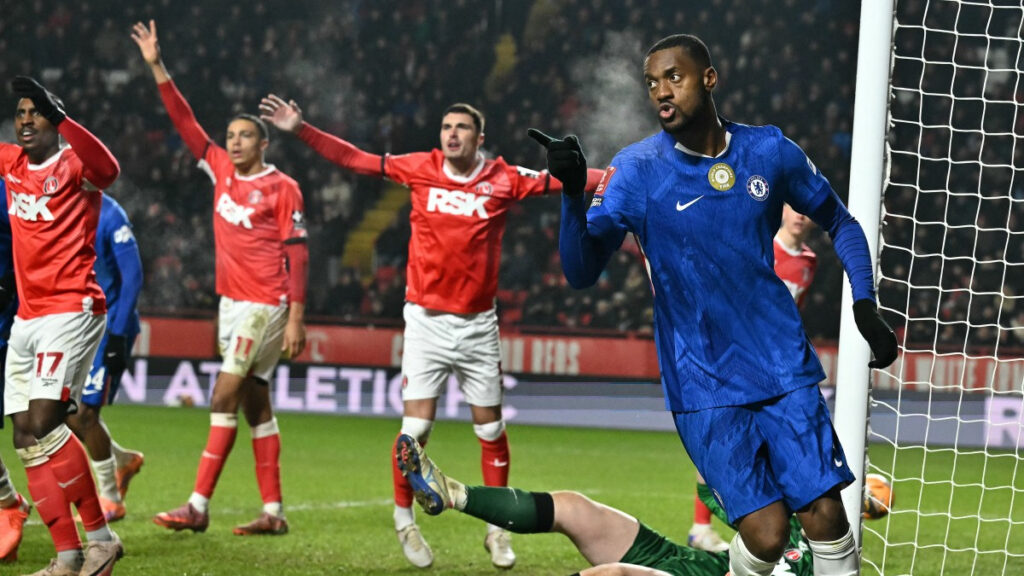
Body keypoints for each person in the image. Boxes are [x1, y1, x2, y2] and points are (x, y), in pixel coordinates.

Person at [531, 34, 898, 576]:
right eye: (651, 83)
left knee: (825, 514)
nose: (661, 91)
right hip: (700, 378)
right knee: (766, 534)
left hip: (780, 362)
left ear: (709, 78)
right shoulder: (636, 171)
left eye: (673, 77)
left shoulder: (769, 151)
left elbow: (840, 222)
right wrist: (570, 195)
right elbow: (581, 273)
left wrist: (864, 303)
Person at [258, 92, 605, 568]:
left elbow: (570, 180)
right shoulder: (419, 167)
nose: (452, 134)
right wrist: (301, 128)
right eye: (446, 128)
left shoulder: (503, 178)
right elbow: (356, 160)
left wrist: (627, 175)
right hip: (424, 321)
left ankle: (497, 530)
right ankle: (404, 520)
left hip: (478, 325)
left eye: (461, 128)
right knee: (415, 429)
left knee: (491, 429)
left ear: (479, 138)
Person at [132, 20, 309, 536]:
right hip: (232, 303)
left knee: (222, 395)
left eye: (245, 135)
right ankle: (274, 513)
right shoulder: (219, 169)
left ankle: (198, 505)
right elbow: (184, 120)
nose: (234, 142)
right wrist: (157, 67)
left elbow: (299, 254)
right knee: (255, 402)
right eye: (230, 135)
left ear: (264, 142)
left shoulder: (283, 188)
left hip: (266, 304)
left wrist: (296, 318)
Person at [1, 76, 124, 575]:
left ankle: (101, 539)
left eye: (37, 112)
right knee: (24, 437)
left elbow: (109, 170)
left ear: (55, 121)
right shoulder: (12, 164)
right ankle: (69, 556)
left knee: (46, 421)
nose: (26, 119)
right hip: (26, 318)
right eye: (21, 112)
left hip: (71, 309)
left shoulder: (75, 166)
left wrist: (65, 116)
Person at [395, 433, 814, 576]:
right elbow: (711, 479)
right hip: (698, 564)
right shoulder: (788, 516)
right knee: (574, 508)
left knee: (613, 575)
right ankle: (453, 493)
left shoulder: (832, 554)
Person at [688, 203, 818, 551]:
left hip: (776, 365)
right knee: (725, 439)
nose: (800, 216)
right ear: (782, 210)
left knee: (766, 446)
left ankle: (778, 525)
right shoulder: (759, 246)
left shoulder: (810, 262)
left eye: (806, 210)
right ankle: (702, 527)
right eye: (793, 208)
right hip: (738, 359)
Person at [66, 192, 145, 524]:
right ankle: (122, 461)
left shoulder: (111, 214)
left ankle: (110, 499)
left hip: (107, 327)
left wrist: (119, 334)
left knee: (85, 414)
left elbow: (133, 276)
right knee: (61, 412)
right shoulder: (57, 206)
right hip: (71, 326)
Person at [0, 180, 32, 565]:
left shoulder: (6, 190)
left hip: (5, 323)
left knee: (31, 425)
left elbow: (27, 237)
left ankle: (9, 502)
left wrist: (7, 284)